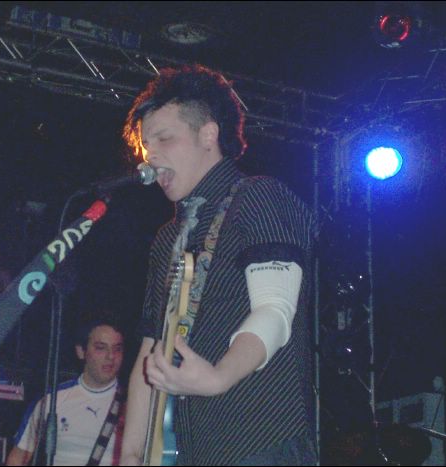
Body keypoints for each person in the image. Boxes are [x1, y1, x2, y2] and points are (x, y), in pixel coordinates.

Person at [120, 64, 316, 466]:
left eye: (164, 138)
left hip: (258, 443)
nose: (150, 156)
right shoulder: (167, 239)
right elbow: (149, 350)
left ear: (208, 134)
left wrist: (218, 376)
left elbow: (276, 310)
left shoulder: (259, 197)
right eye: (145, 144)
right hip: (192, 450)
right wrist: (131, 454)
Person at [6, 319, 125, 466]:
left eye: (117, 349)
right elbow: (18, 457)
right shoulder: (52, 400)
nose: (111, 356)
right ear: (81, 351)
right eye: (101, 348)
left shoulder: (133, 404)